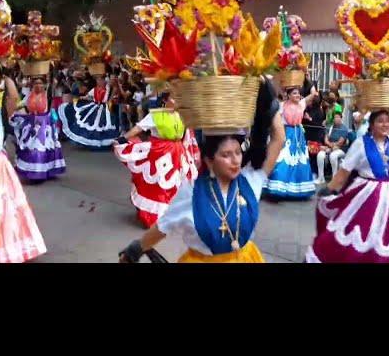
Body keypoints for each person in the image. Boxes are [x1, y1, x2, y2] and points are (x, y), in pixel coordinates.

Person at [118, 78, 285, 263]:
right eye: (226, 155)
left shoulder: (251, 180)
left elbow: (278, 139)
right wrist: (135, 249)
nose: (235, 160)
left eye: (238, 152)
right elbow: (163, 227)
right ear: (209, 160)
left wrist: (267, 97)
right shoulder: (191, 192)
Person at [306, 96, 389, 263]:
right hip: (367, 196)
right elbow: (344, 172)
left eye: (388, 121)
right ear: (372, 125)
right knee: (365, 233)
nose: (385, 125)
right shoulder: (361, 144)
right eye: (380, 121)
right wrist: (329, 189)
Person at [113, 92, 201, 228]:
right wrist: (123, 139)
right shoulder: (156, 115)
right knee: (158, 187)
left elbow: (188, 135)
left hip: (178, 154)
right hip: (159, 154)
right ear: (165, 100)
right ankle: (156, 216)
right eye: (175, 98)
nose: (178, 101)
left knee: (177, 185)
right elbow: (139, 128)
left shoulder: (182, 115)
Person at [0, 73, 47, 262]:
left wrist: (4, 77)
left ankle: (3, 248)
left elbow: (13, 100)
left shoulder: (0, 89)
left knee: (2, 205)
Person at [263, 84, 318, 200]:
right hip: (285, 133)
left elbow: (313, 94)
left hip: (298, 135)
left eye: (298, 93)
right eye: (294, 93)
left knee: (299, 161)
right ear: (288, 95)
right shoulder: (281, 106)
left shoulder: (302, 104)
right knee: (282, 159)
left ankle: (298, 191)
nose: (297, 95)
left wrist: (309, 81)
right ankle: (277, 189)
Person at [10, 76, 66, 182]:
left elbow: (52, 84)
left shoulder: (47, 95)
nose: (38, 86)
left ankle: (45, 171)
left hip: (45, 125)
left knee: (42, 146)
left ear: (44, 85)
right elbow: (20, 105)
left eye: (40, 83)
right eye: (36, 84)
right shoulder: (29, 96)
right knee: (32, 147)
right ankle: (34, 171)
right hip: (32, 124)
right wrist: (14, 108)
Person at [58, 74, 120, 148]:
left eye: (101, 80)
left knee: (102, 125)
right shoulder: (95, 89)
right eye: (98, 80)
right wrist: (81, 98)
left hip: (105, 107)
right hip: (95, 106)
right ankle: (90, 141)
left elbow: (109, 98)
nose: (99, 82)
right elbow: (88, 96)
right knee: (89, 123)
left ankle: (103, 141)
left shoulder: (108, 88)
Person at [315, 110, 349, 184]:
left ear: (341, 118)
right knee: (320, 155)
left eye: (338, 117)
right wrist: (330, 147)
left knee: (333, 156)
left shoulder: (344, 128)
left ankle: (334, 178)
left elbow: (340, 142)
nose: (336, 119)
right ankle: (321, 178)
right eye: (335, 117)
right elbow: (326, 139)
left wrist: (331, 147)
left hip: (341, 149)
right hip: (330, 148)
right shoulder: (330, 127)